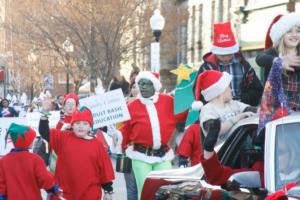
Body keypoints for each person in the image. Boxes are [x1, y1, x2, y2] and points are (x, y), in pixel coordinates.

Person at [113, 71, 187, 199]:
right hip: (140, 155)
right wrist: (119, 135)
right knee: (145, 190)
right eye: (141, 84)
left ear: (155, 85)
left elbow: (182, 114)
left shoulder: (168, 101)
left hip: (162, 155)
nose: (143, 87)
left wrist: (193, 108)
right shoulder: (132, 106)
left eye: (147, 84)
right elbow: (127, 128)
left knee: (164, 189)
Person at [39, 104, 115, 200]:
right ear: (72, 125)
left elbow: (104, 171)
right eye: (77, 123)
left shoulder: (97, 145)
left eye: (85, 123)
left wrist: (108, 191)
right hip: (66, 194)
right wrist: (44, 114)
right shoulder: (63, 138)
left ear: (90, 127)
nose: (81, 127)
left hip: (90, 194)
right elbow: (44, 132)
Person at [196, 22, 263, 106]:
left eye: (229, 54)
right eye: (223, 56)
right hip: (216, 111)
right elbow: (199, 93)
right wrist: (214, 104)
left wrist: (242, 100)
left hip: (241, 108)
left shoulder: (243, 66)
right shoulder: (207, 68)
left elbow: (257, 89)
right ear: (216, 53)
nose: (226, 58)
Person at [0, 123, 62, 200]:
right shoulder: (35, 159)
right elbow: (45, 179)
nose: (33, 141)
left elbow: (1, 184)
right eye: (32, 139)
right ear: (27, 141)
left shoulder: (4, 161)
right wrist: (54, 189)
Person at [195, 70, 257, 146]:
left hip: (242, 150)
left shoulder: (233, 104)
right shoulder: (207, 110)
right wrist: (239, 117)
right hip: (223, 154)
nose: (231, 90)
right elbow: (215, 130)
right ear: (220, 91)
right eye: (229, 87)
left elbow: (255, 111)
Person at [256, 12, 300, 111]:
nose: (294, 35)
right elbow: (259, 58)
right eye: (289, 31)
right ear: (281, 35)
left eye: (298, 31)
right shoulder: (274, 52)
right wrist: (278, 61)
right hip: (276, 109)